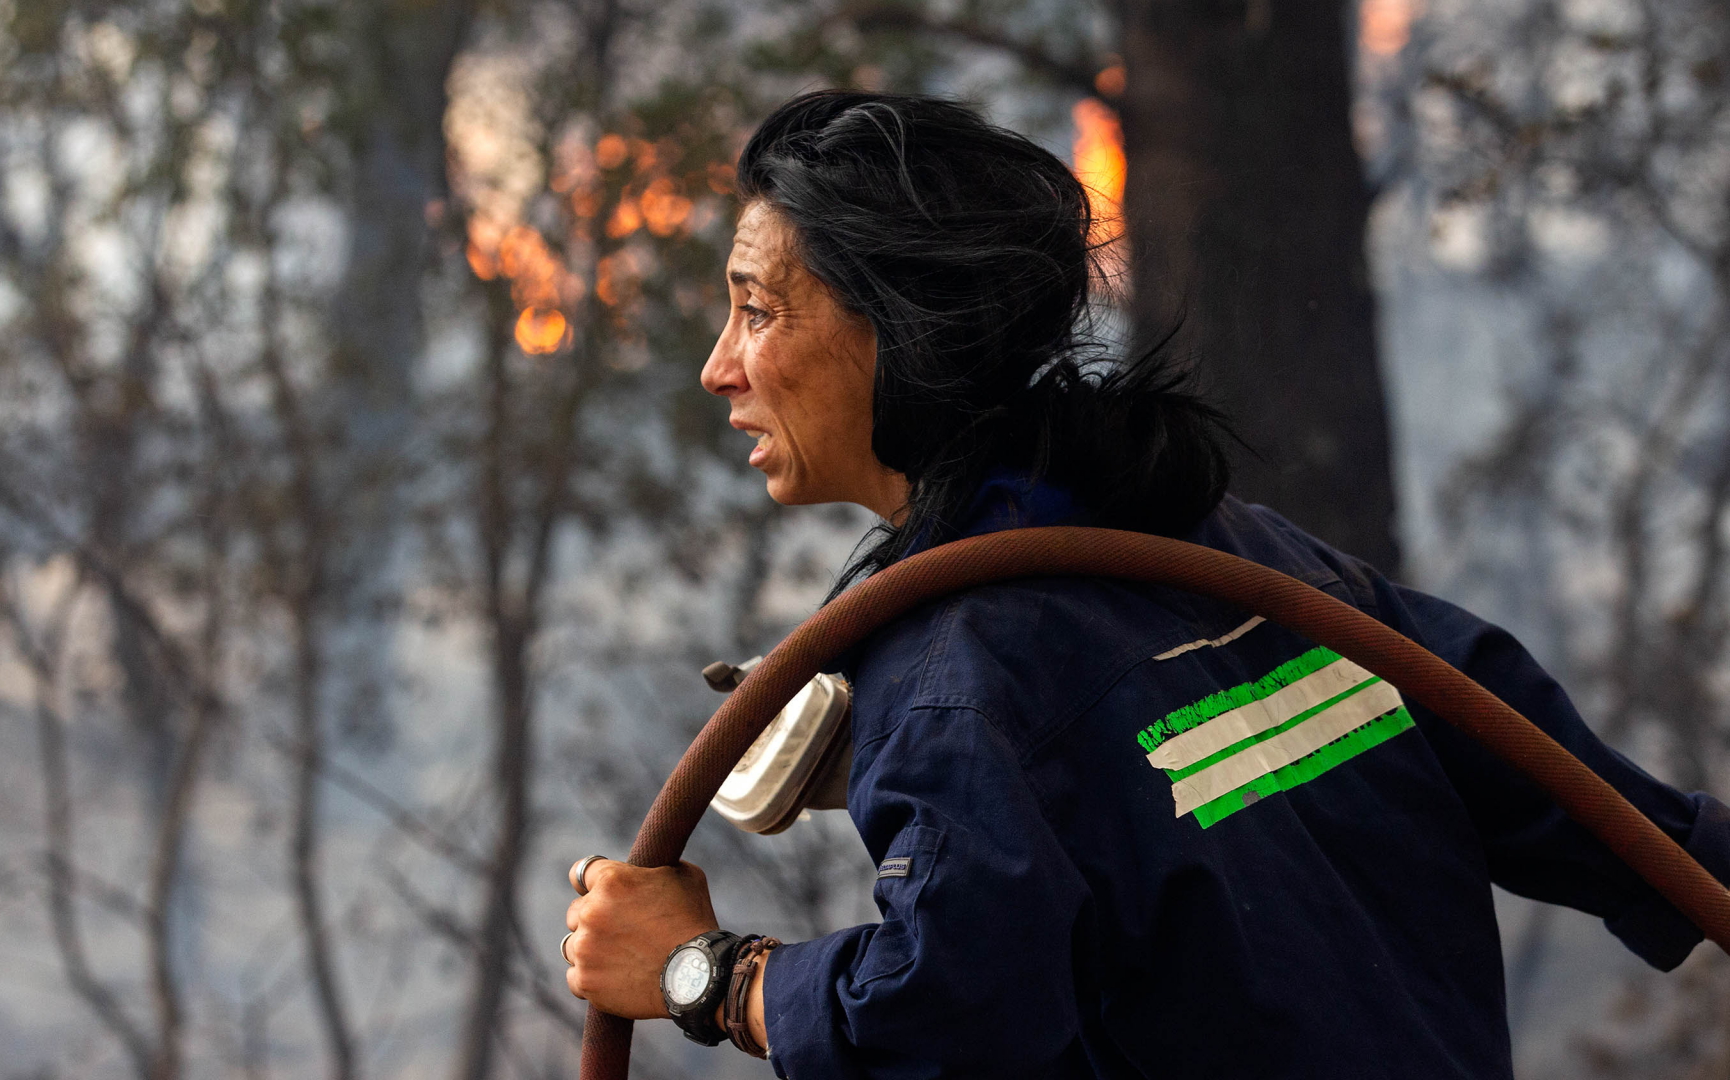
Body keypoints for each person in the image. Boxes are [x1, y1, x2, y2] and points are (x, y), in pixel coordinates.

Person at [558, 89, 1730, 1079]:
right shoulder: (1252, 557)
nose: (719, 368)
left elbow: (946, 1012)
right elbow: (1562, 782)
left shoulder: (952, 682)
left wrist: (701, 973)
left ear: (898, 334)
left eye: (758, 311)